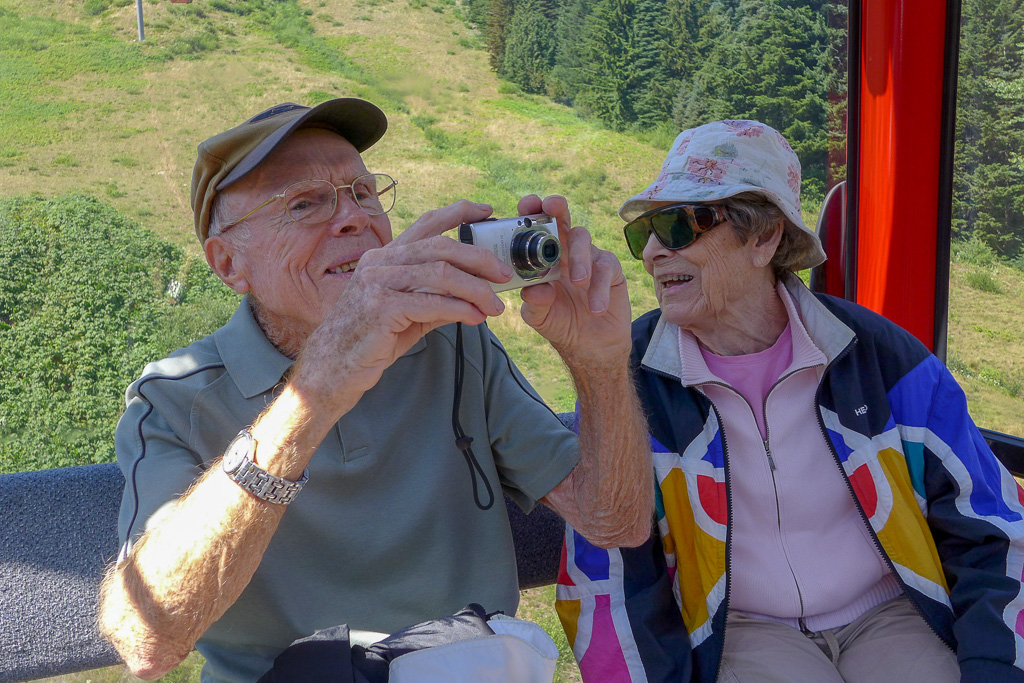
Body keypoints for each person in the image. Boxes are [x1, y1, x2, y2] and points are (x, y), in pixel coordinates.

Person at [97, 98, 653, 683]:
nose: (353, 218)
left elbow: (616, 522)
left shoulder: (455, 345)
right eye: (304, 203)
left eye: (363, 193)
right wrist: (317, 389)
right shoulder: (172, 400)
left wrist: (601, 363)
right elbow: (146, 642)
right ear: (229, 263)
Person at [557, 120, 1024, 682]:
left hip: (894, 612)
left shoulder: (882, 358)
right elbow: (603, 572)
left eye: (681, 224)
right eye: (645, 232)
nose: (654, 251)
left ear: (764, 238)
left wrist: (996, 667)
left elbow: (992, 527)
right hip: (740, 631)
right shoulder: (623, 380)